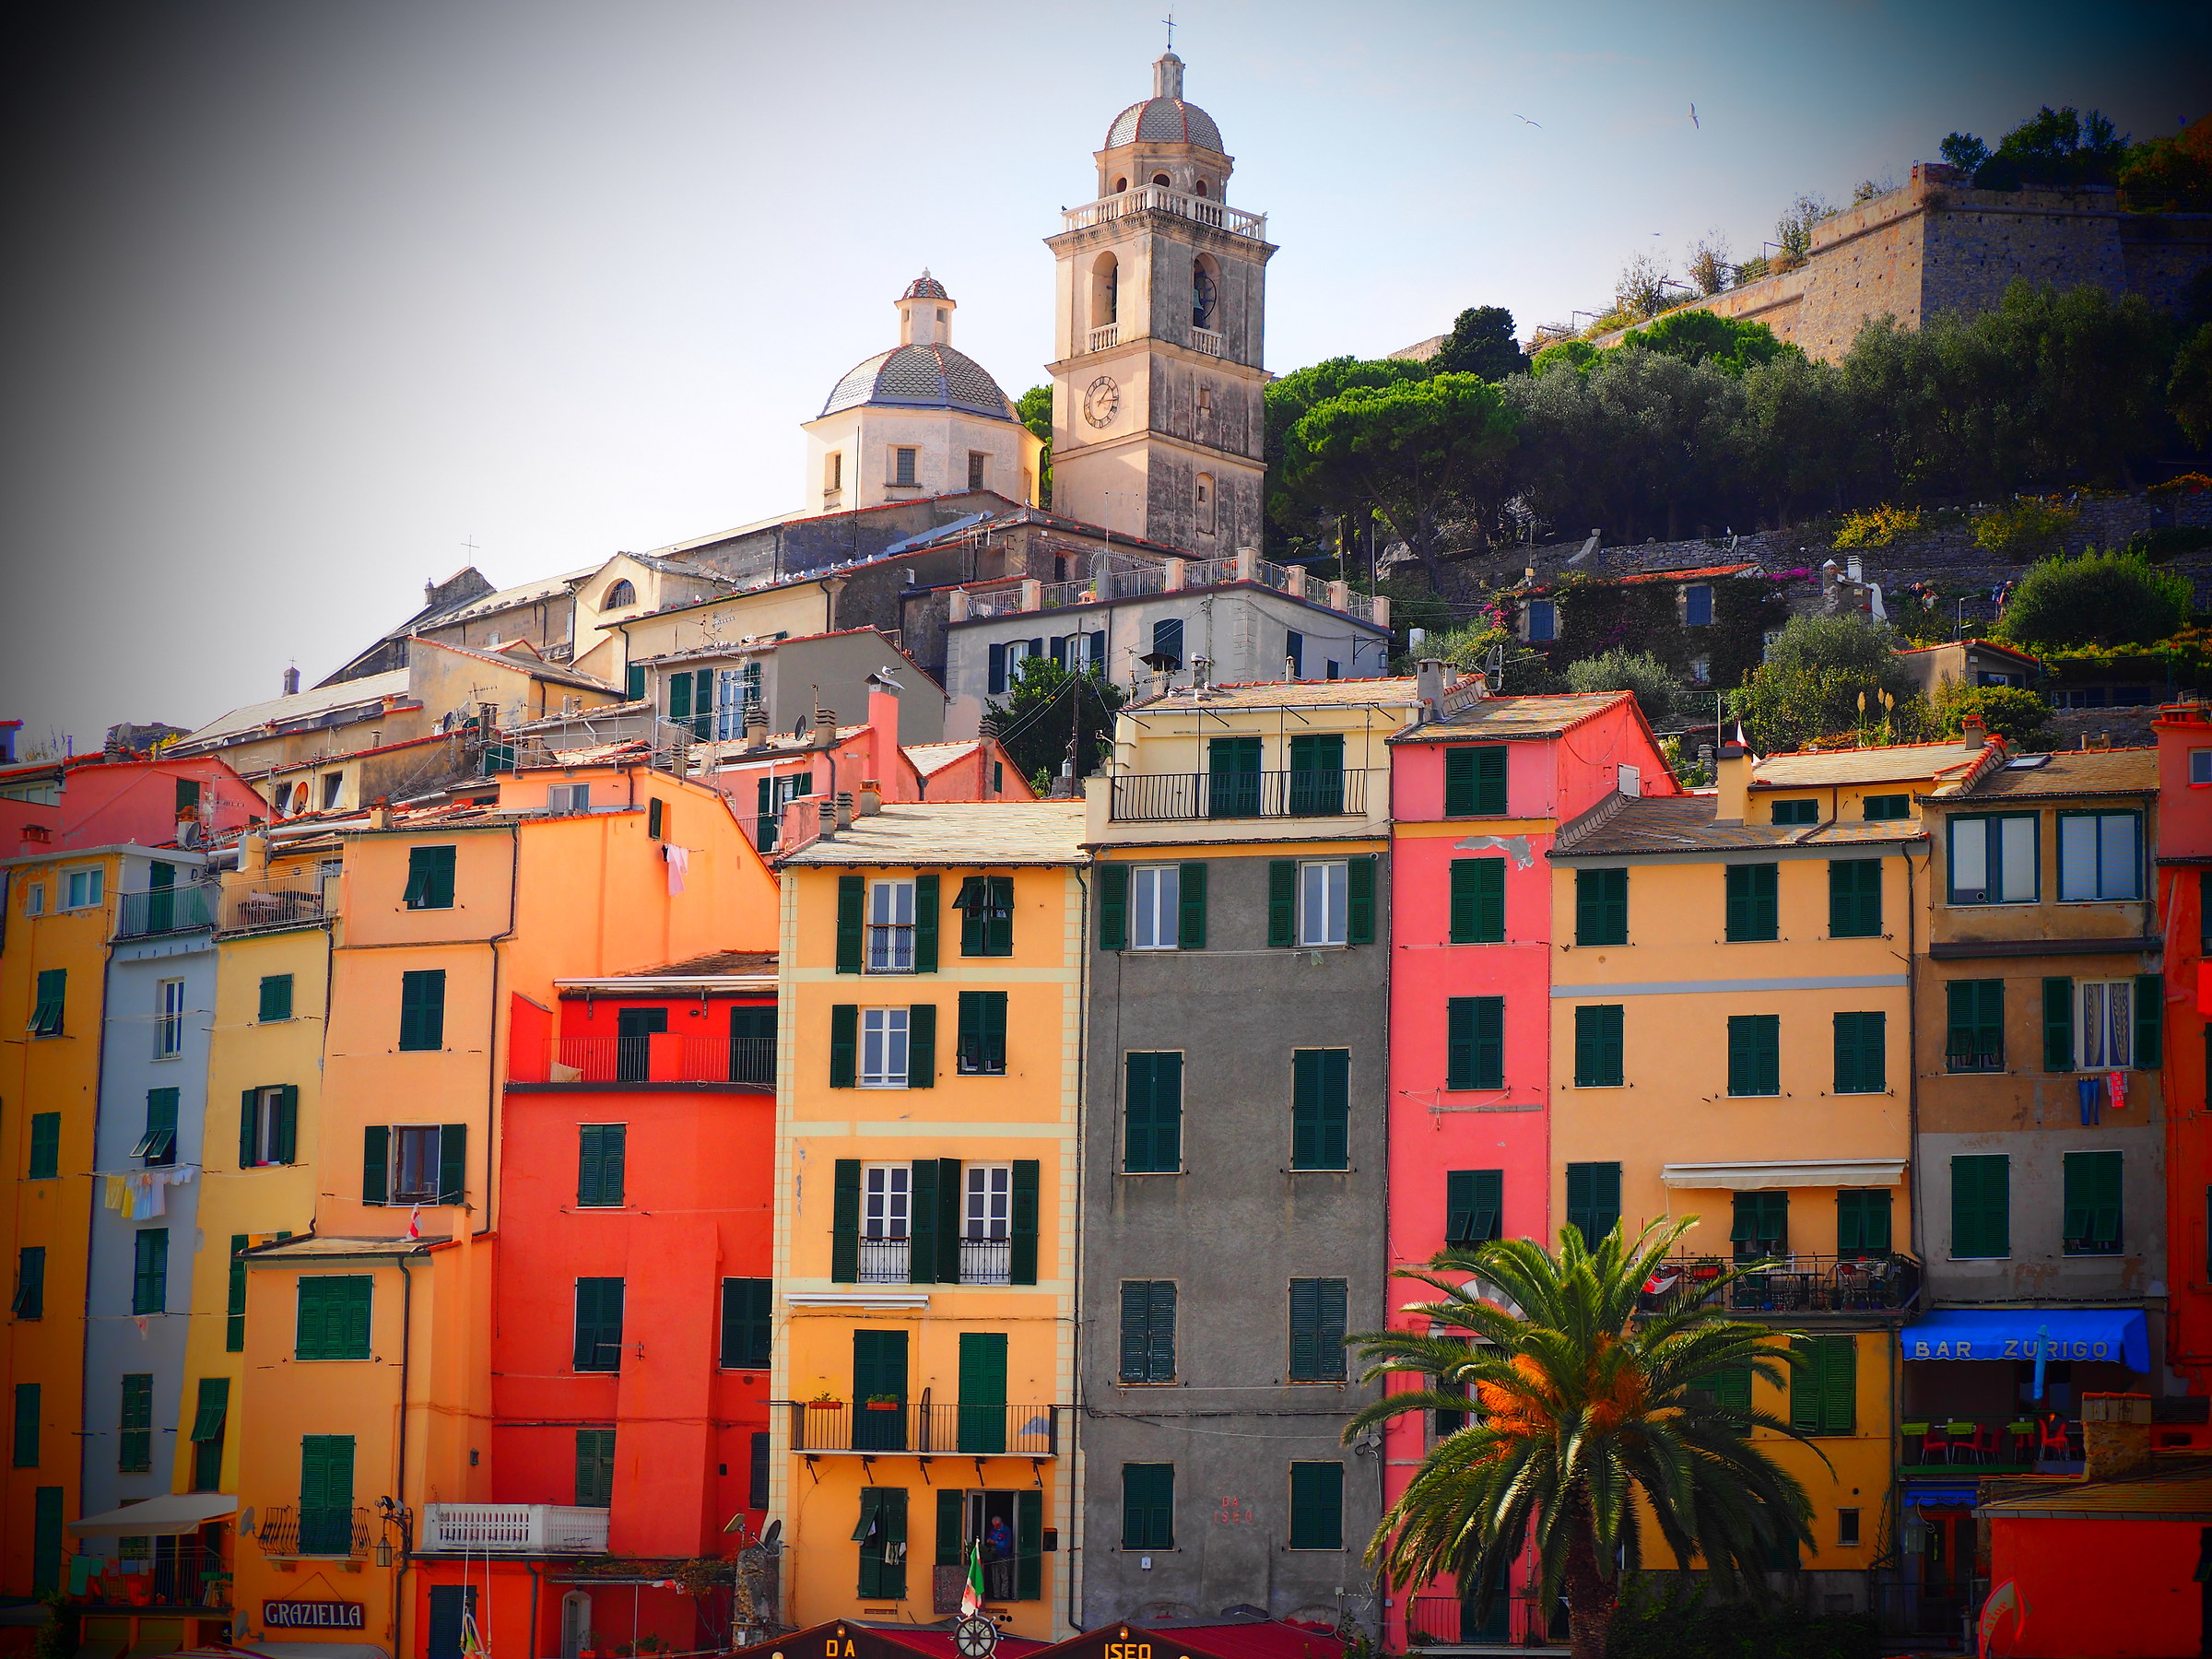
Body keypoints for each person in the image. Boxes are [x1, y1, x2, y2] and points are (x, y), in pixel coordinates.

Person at [986, 1514, 1014, 1599]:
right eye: (994, 1525)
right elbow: (990, 1539)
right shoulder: (993, 1530)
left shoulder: (1006, 1530)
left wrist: (995, 1542)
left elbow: (1007, 1543)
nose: (995, 1527)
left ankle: (1004, 1595)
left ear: (1000, 1523)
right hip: (995, 1556)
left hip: (1004, 1556)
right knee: (995, 1577)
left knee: (1004, 1576)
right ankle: (996, 1595)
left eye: (997, 1525)